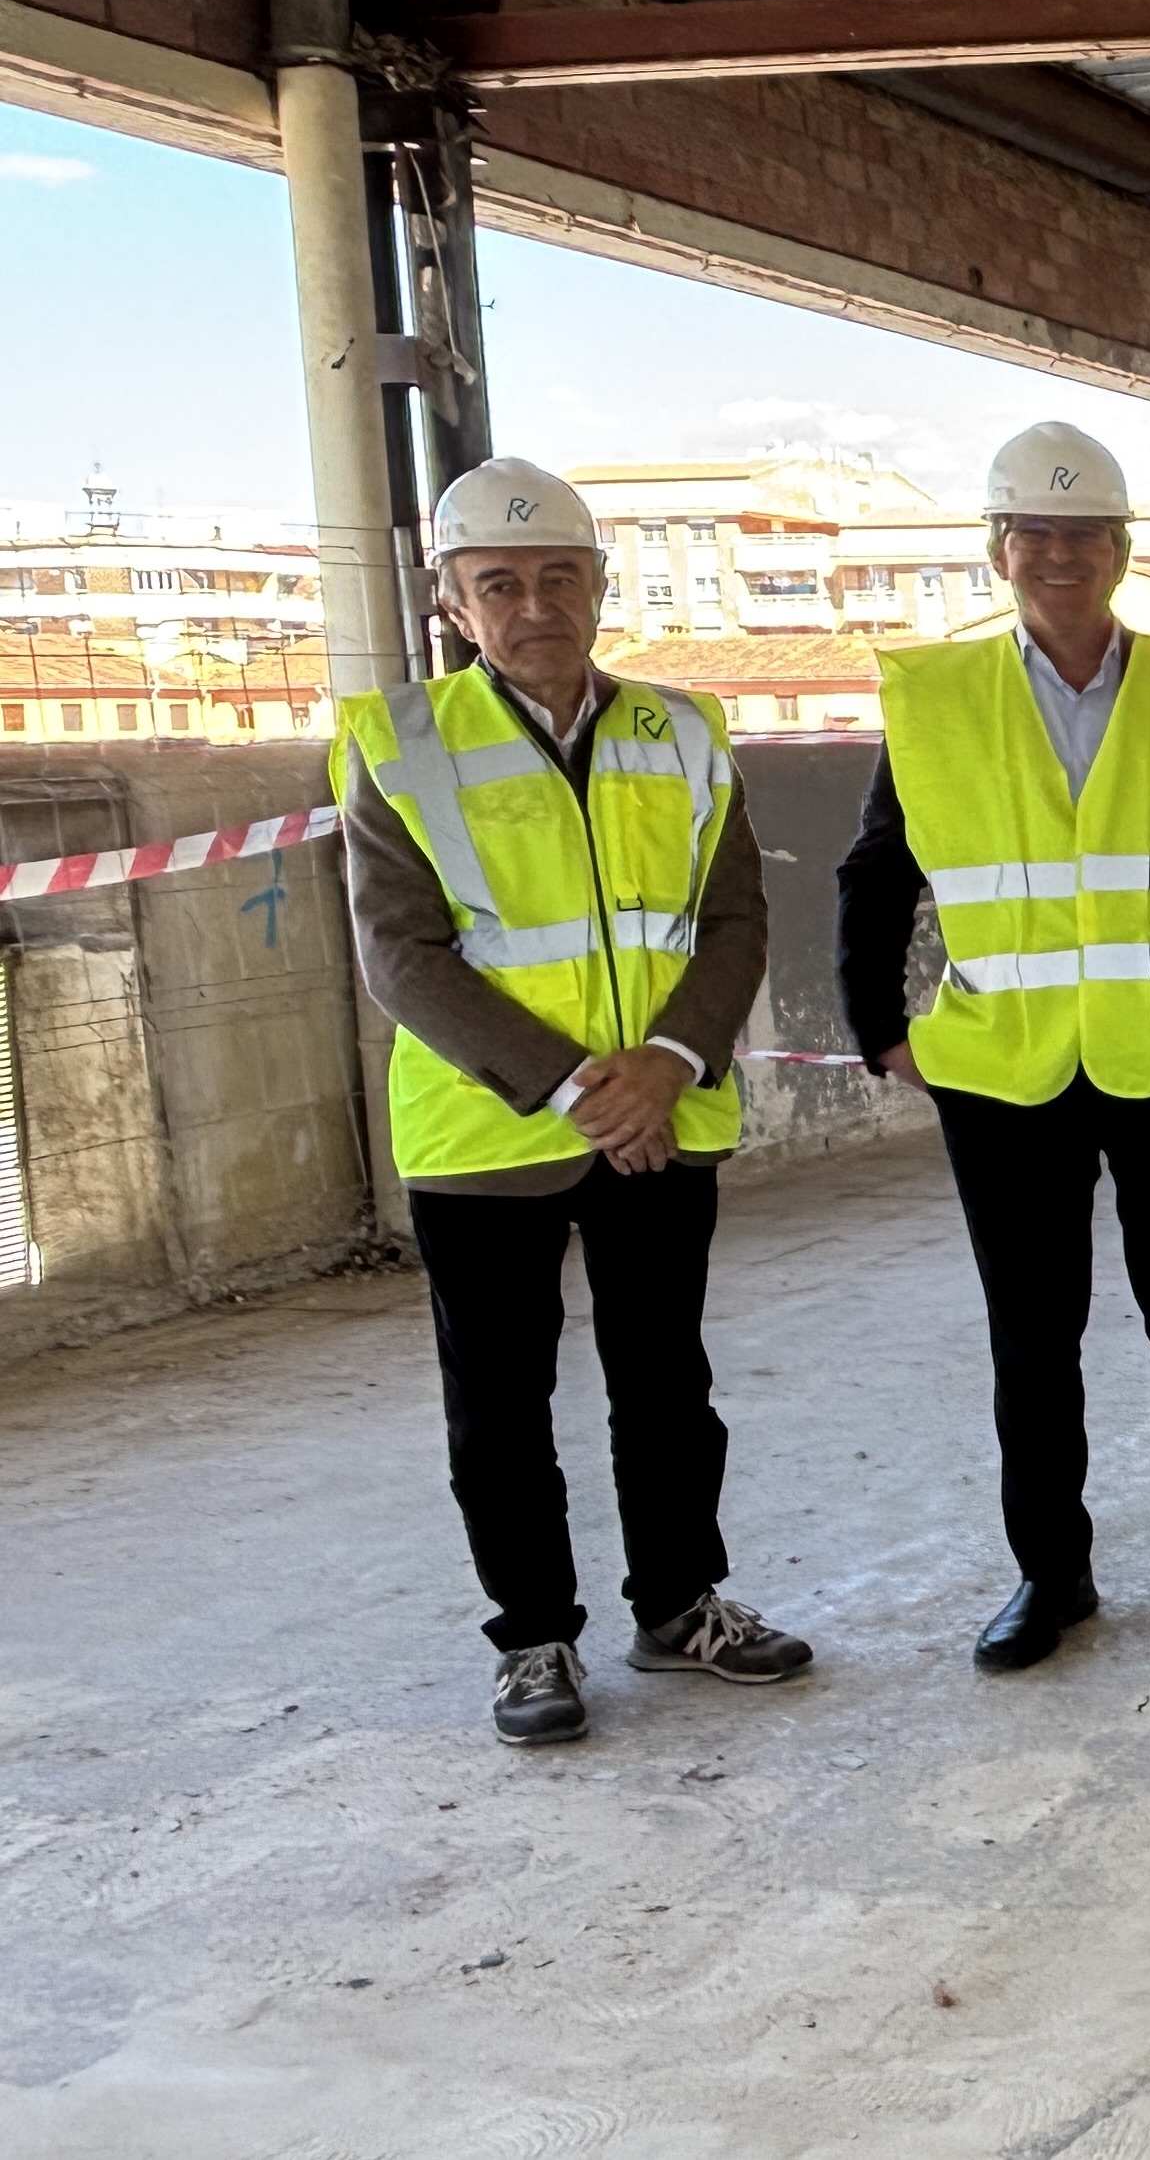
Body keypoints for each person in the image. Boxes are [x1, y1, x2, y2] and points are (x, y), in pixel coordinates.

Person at [334, 457, 802, 1745]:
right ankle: (533, 1636)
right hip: (489, 1134)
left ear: (599, 585)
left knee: (667, 1384)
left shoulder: (685, 731)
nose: (534, 604)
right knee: (500, 1406)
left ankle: (680, 1606)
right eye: (499, 584)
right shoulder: (399, 741)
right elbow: (402, 954)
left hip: (664, 1116)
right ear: (452, 601)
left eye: (559, 576)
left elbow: (733, 918)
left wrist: (670, 1063)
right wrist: (574, 1087)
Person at [836, 421, 1150, 1672]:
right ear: (998, 550)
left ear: (1121, 550)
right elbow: (879, 869)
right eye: (1032, 532)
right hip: (1005, 1066)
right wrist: (879, 1026)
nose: (1058, 554)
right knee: (1032, 1339)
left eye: (1083, 532)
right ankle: (1052, 1573)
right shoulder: (938, 699)